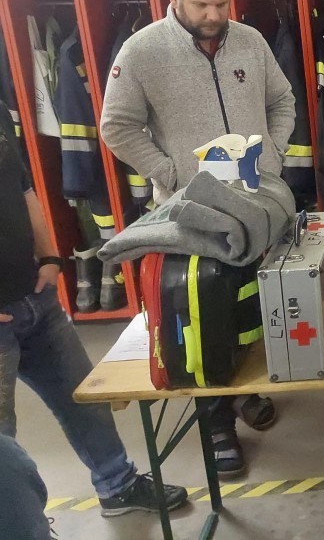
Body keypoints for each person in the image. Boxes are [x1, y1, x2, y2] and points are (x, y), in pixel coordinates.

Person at [101, 0, 296, 476]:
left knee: (249, 303)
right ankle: (216, 423)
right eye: (201, 5)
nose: (214, 15)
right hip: (192, 212)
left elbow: (282, 101)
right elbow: (116, 126)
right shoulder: (142, 51)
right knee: (201, 314)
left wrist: (273, 154)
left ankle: (244, 389)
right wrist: (168, 172)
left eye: (221, 4)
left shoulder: (250, 42)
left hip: (255, 201)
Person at [0, 103, 188, 518]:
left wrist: (51, 257)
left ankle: (117, 484)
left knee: (85, 399)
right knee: (2, 451)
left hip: (35, 295)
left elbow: (23, 188)